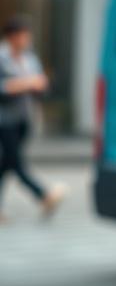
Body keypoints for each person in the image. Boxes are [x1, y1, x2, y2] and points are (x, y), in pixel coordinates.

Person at [0, 15, 66, 221]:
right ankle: (43, 195)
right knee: (15, 162)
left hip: (24, 118)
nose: (26, 40)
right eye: (22, 35)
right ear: (12, 37)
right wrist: (27, 83)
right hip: (4, 119)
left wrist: (39, 85)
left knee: (7, 163)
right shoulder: (2, 58)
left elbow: (41, 86)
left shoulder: (30, 59)